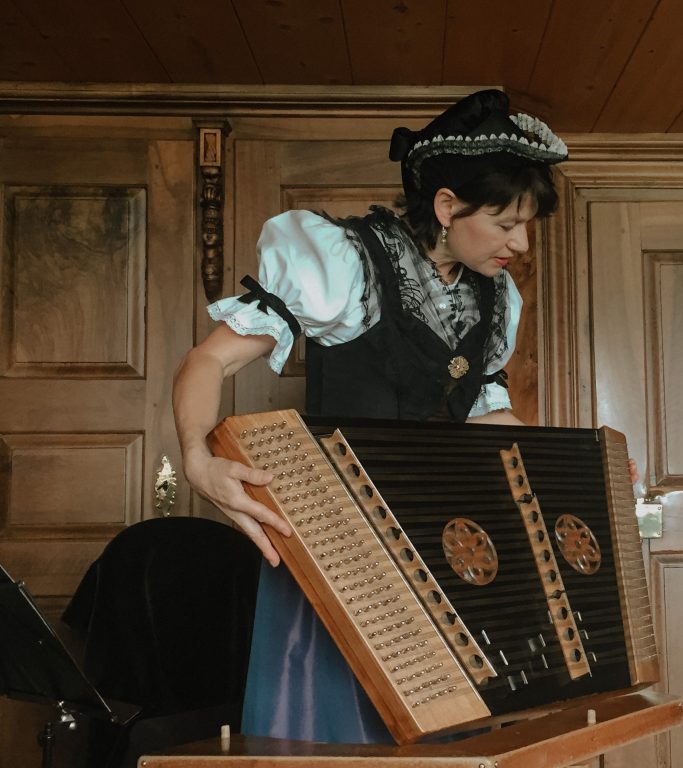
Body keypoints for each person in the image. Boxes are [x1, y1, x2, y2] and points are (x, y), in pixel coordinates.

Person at [171, 89, 569, 744]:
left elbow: (482, 418)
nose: (521, 243)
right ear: (446, 206)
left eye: (526, 225)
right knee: (333, 741)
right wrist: (196, 456)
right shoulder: (342, 262)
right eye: (505, 224)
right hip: (336, 556)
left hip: (439, 557)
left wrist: (571, 474)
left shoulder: (497, 300)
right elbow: (206, 363)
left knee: (444, 743)